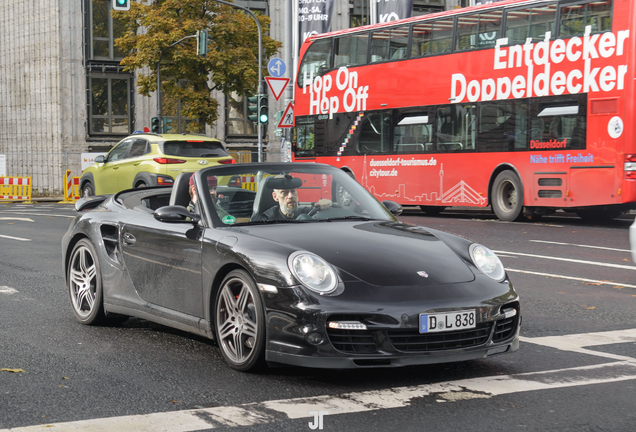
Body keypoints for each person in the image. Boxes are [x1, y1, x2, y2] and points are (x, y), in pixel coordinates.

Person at [254, 174, 332, 221]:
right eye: (284, 193)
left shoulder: (307, 212)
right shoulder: (266, 219)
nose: (291, 196)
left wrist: (324, 206)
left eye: (293, 191)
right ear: (275, 197)